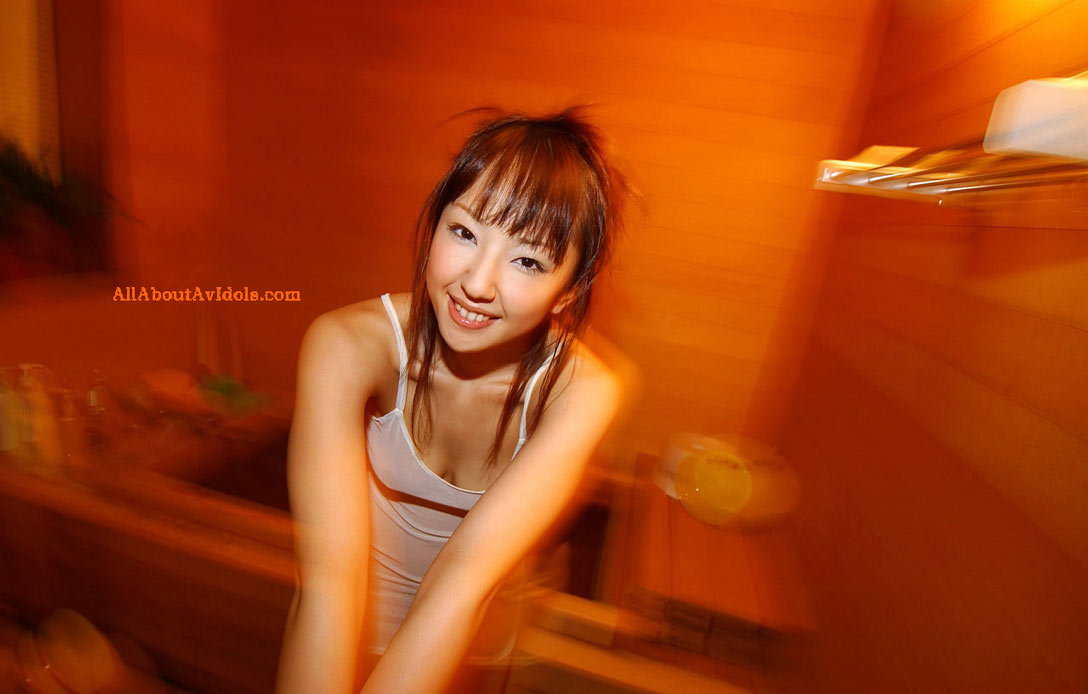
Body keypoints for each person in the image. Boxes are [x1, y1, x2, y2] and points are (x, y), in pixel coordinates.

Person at [275, 106, 631, 694]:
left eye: (527, 260)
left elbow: (462, 584)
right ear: (436, 220)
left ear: (568, 291)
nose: (476, 284)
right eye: (464, 232)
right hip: (351, 628)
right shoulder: (346, 344)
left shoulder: (583, 392)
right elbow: (328, 583)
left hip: (474, 643)